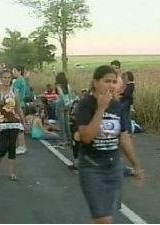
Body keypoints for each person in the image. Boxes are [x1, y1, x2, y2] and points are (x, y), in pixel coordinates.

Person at [75, 65, 144, 224]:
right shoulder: (86, 105)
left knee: (107, 216)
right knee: (104, 219)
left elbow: (124, 138)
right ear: (95, 83)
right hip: (92, 167)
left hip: (114, 168)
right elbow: (86, 137)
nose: (111, 85)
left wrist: (136, 166)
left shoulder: (117, 107)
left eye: (114, 82)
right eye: (107, 81)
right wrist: (100, 109)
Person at [0, 69, 25, 181]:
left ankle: (11, 173)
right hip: (0, 122)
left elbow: (18, 107)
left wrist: (23, 121)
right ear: (0, 79)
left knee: (12, 147)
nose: (6, 80)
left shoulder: (14, 91)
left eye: (9, 77)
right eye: (4, 77)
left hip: (13, 122)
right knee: (3, 146)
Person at [12, 65, 28, 154]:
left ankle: (22, 146)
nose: (13, 72)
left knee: (18, 125)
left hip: (17, 105)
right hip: (20, 104)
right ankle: (20, 145)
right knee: (18, 124)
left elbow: (15, 95)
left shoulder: (18, 81)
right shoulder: (22, 80)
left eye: (14, 71)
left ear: (19, 71)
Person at [54, 72, 71, 147]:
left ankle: (63, 140)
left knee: (61, 122)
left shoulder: (58, 85)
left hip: (61, 102)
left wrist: (64, 101)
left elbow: (61, 94)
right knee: (66, 122)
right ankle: (69, 138)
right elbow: (70, 94)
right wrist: (69, 103)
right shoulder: (67, 85)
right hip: (67, 102)